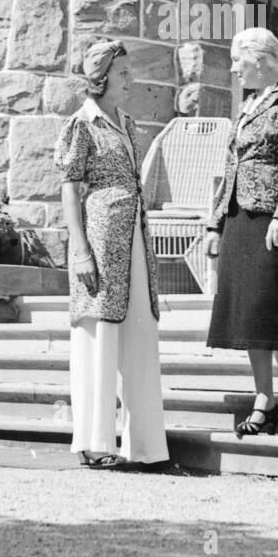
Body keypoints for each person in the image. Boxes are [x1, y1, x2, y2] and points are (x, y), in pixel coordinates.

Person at [55, 40, 169, 469]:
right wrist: (80, 250)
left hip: (135, 237)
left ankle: (146, 446)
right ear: (100, 79)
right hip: (100, 239)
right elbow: (70, 188)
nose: (131, 79)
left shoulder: (128, 122)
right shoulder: (82, 124)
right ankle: (94, 442)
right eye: (122, 73)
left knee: (140, 330)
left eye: (129, 71)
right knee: (98, 335)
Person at [204, 27, 278, 438]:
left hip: (274, 220)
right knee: (249, 314)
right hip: (239, 219)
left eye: (239, 60)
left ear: (261, 58)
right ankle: (263, 399)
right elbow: (231, 170)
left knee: (270, 306)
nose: (234, 68)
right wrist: (216, 223)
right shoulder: (248, 106)